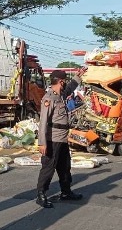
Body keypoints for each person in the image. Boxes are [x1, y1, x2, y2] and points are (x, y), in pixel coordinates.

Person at [35, 68, 86, 208]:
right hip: (52, 140)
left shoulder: (61, 95)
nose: (66, 84)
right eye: (65, 81)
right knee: (48, 167)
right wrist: (42, 143)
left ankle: (66, 191)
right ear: (61, 81)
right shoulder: (49, 98)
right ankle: (41, 194)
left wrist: (78, 76)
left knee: (65, 167)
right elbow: (43, 122)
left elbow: (70, 88)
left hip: (63, 139)